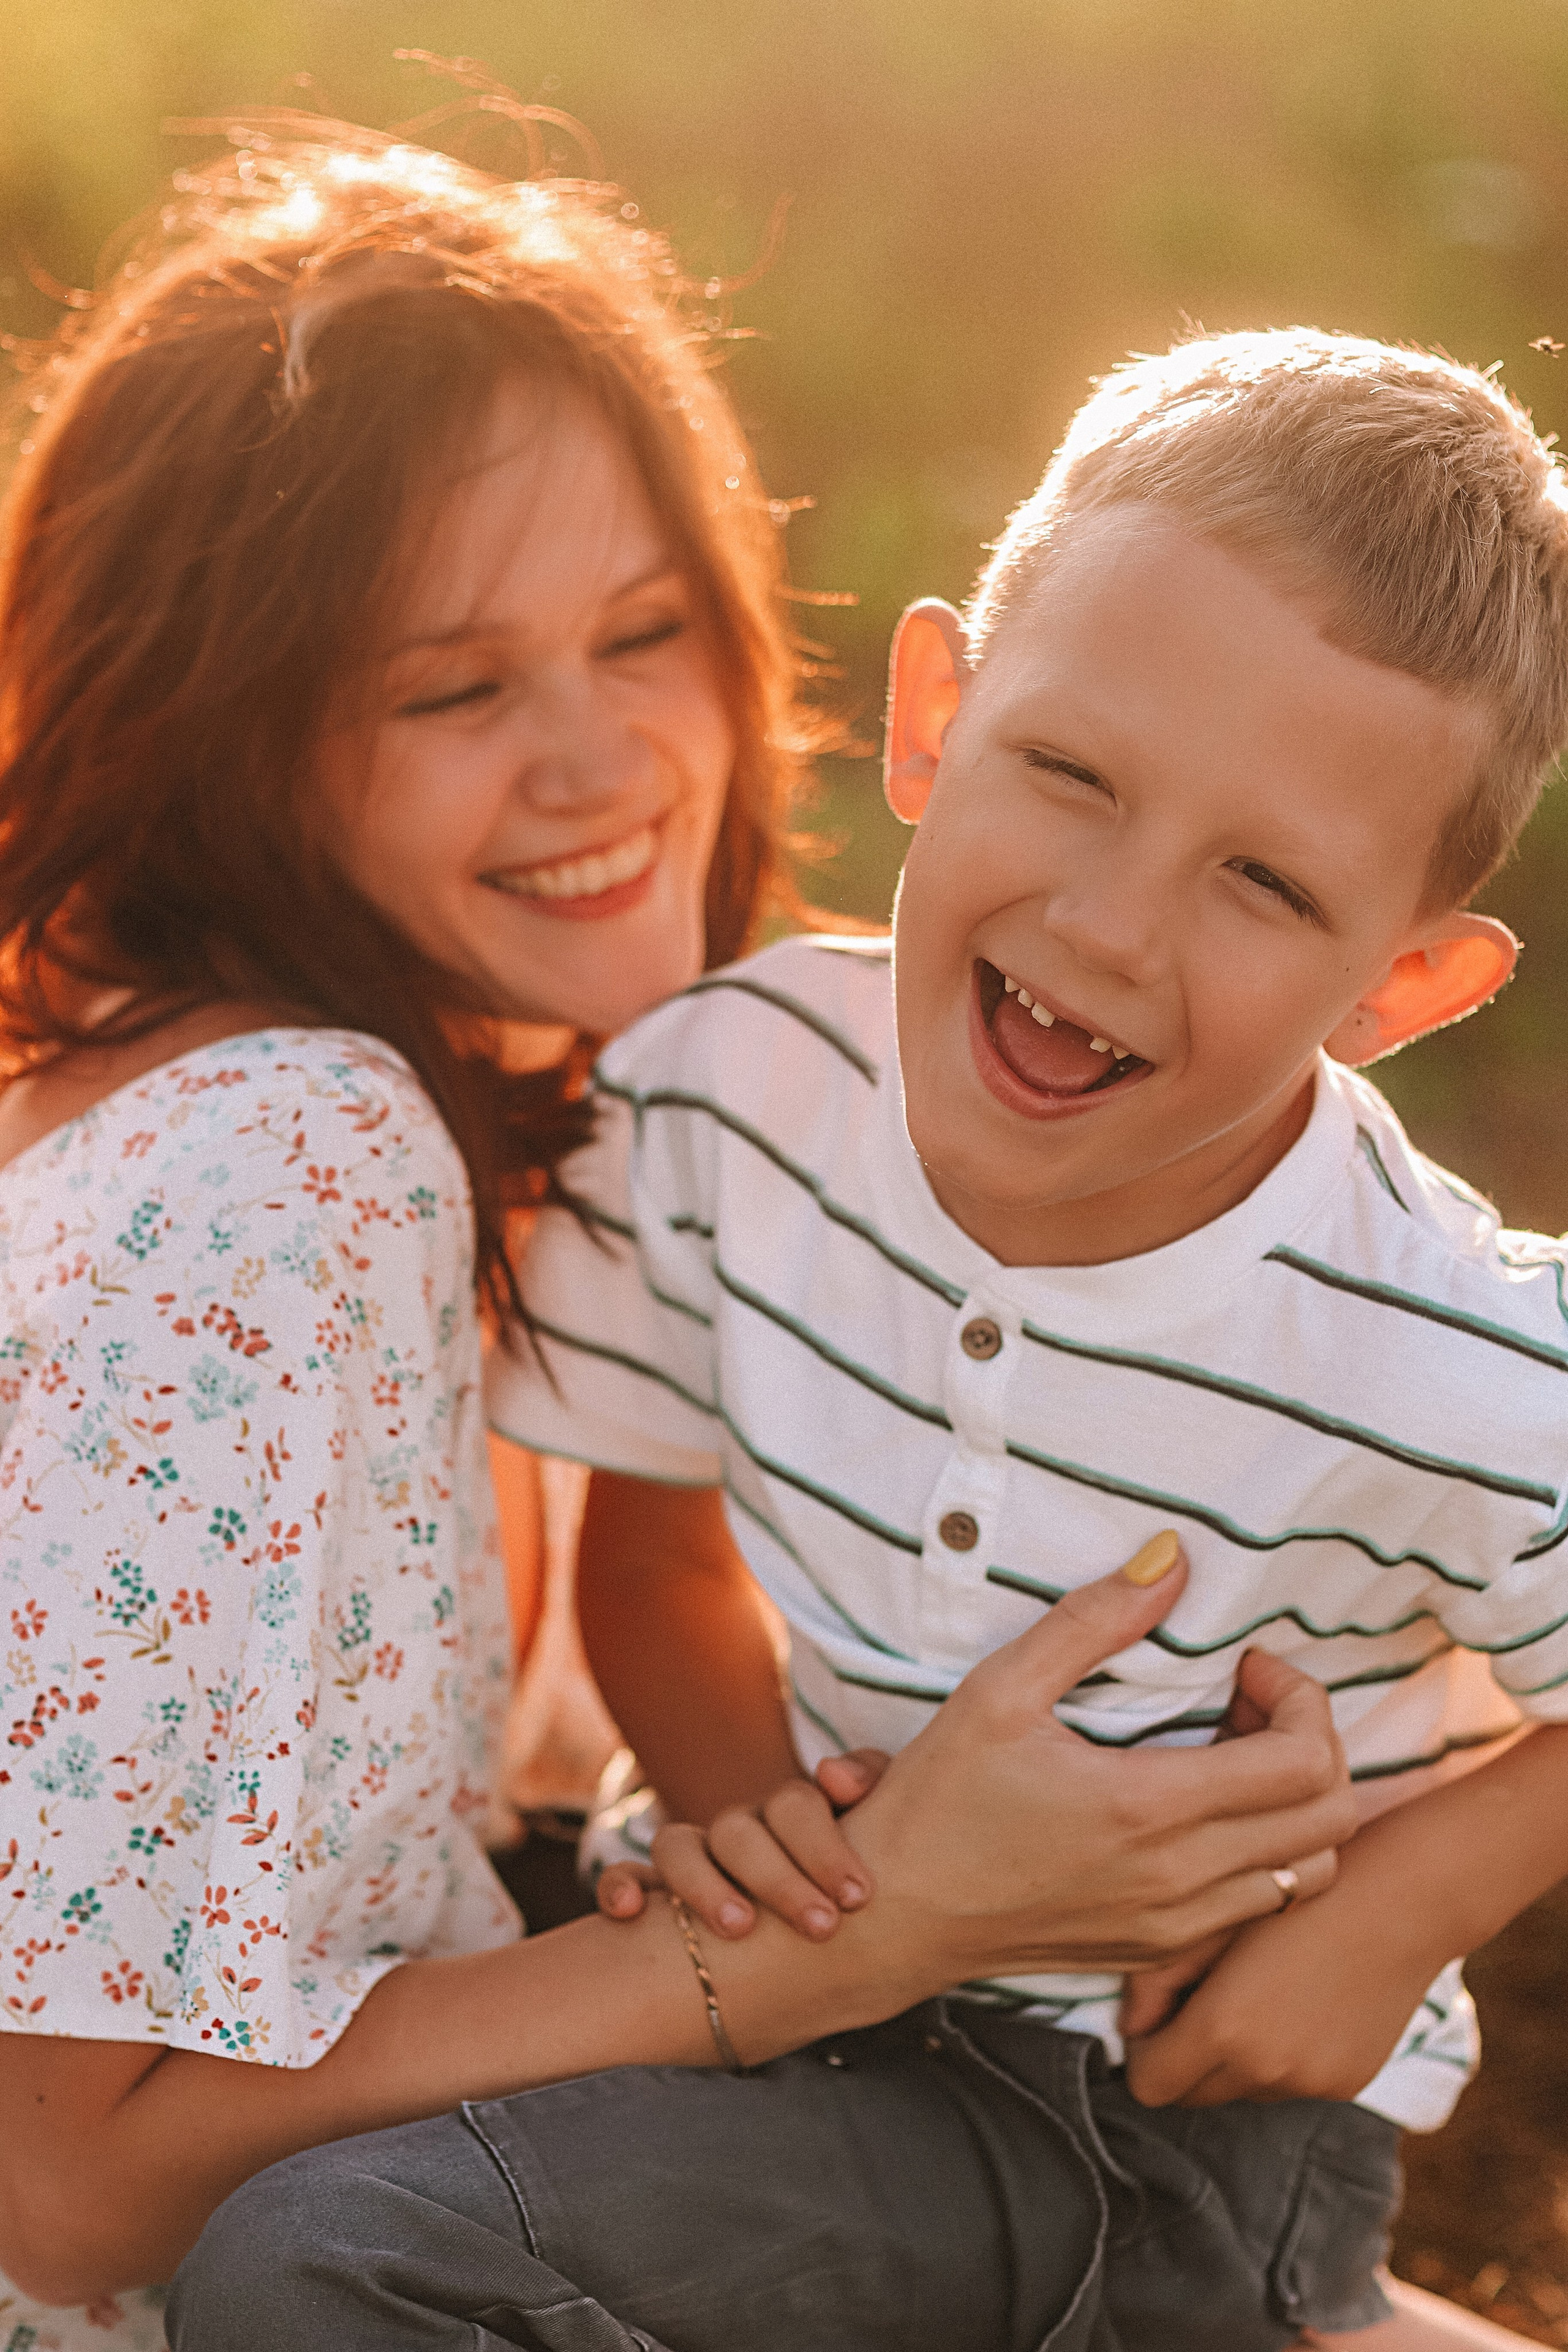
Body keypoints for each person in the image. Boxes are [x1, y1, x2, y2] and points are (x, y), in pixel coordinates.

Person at [0, 121, 1357, 2352]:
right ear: (223, 737)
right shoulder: (281, 1164)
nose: (602, 757)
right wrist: (880, 1924)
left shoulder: (482, 1115)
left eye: (646, 632)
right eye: (453, 688)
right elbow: (64, 2196)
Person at [176, 331, 1568, 2352]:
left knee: (331, 2263)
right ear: (935, 714)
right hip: (812, 2003)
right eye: (1070, 772)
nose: (1110, 923)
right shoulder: (729, 1095)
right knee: (272, 2156)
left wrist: (1399, 1907)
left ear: (1406, 981)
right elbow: (654, 1548)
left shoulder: (1432, 1349)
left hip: (1149, 2106)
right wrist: (759, 1838)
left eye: (1263, 883)